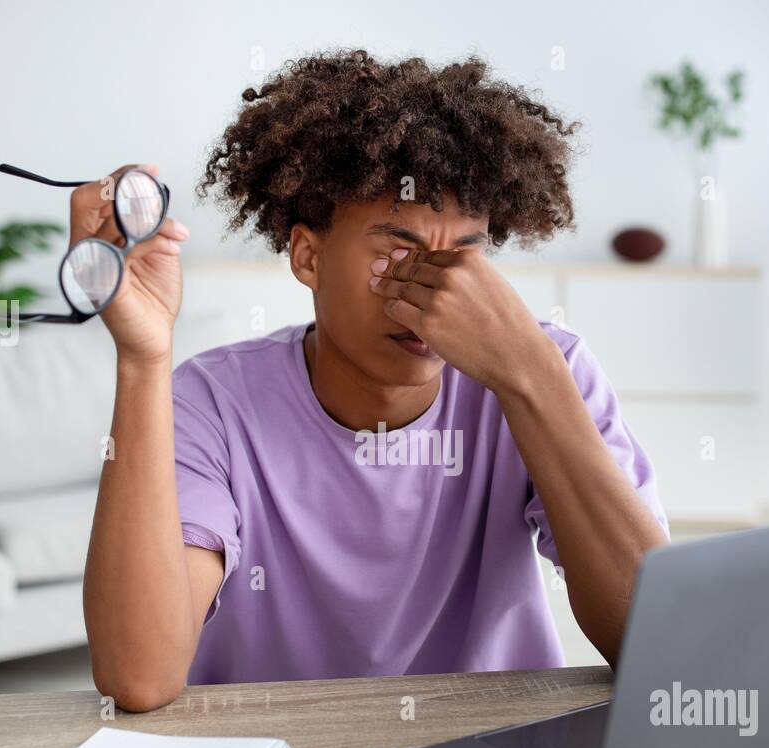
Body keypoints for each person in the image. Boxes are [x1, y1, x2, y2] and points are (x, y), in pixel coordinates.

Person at [81, 50, 669, 710]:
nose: (437, 296)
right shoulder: (211, 403)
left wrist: (530, 377)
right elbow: (139, 676)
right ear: (308, 255)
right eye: (397, 250)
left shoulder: (543, 369)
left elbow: (663, 647)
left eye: (464, 259)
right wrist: (142, 360)